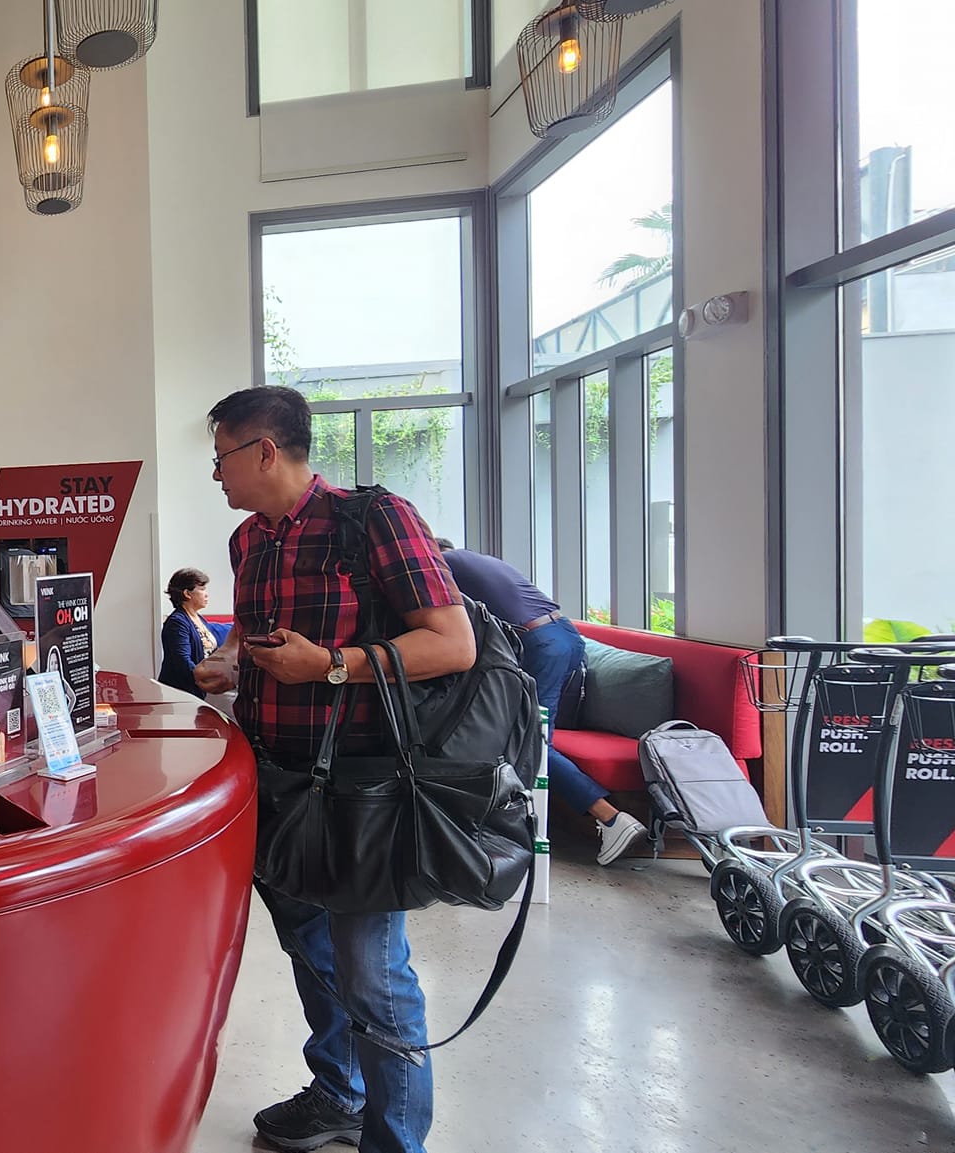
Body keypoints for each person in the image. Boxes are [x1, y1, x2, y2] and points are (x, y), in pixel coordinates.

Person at [193, 385, 475, 1153]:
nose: (215, 473)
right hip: (277, 785)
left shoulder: (373, 520)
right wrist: (228, 661)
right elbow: (251, 635)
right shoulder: (248, 541)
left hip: (362, 789)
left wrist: (330, 665)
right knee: (313, 955)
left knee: (373, 976)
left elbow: (452, 643)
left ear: (263, 451)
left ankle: (395, 1140)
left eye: (221, 457)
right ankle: (339, 1091)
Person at [434, 539, 648, 865]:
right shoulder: (479, 561)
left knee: (529, 739)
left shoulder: (444, 566)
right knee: (533, 734)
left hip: (539, 645)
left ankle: (610, 819)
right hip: (566, 636)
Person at [158, 567, 231, 699]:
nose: (206, 594)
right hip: (180, 694)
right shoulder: (177, 622)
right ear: (187, 593)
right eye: (202, 589)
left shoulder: (198, 619)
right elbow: (182, 661)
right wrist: (204, 679)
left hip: (195, 691)